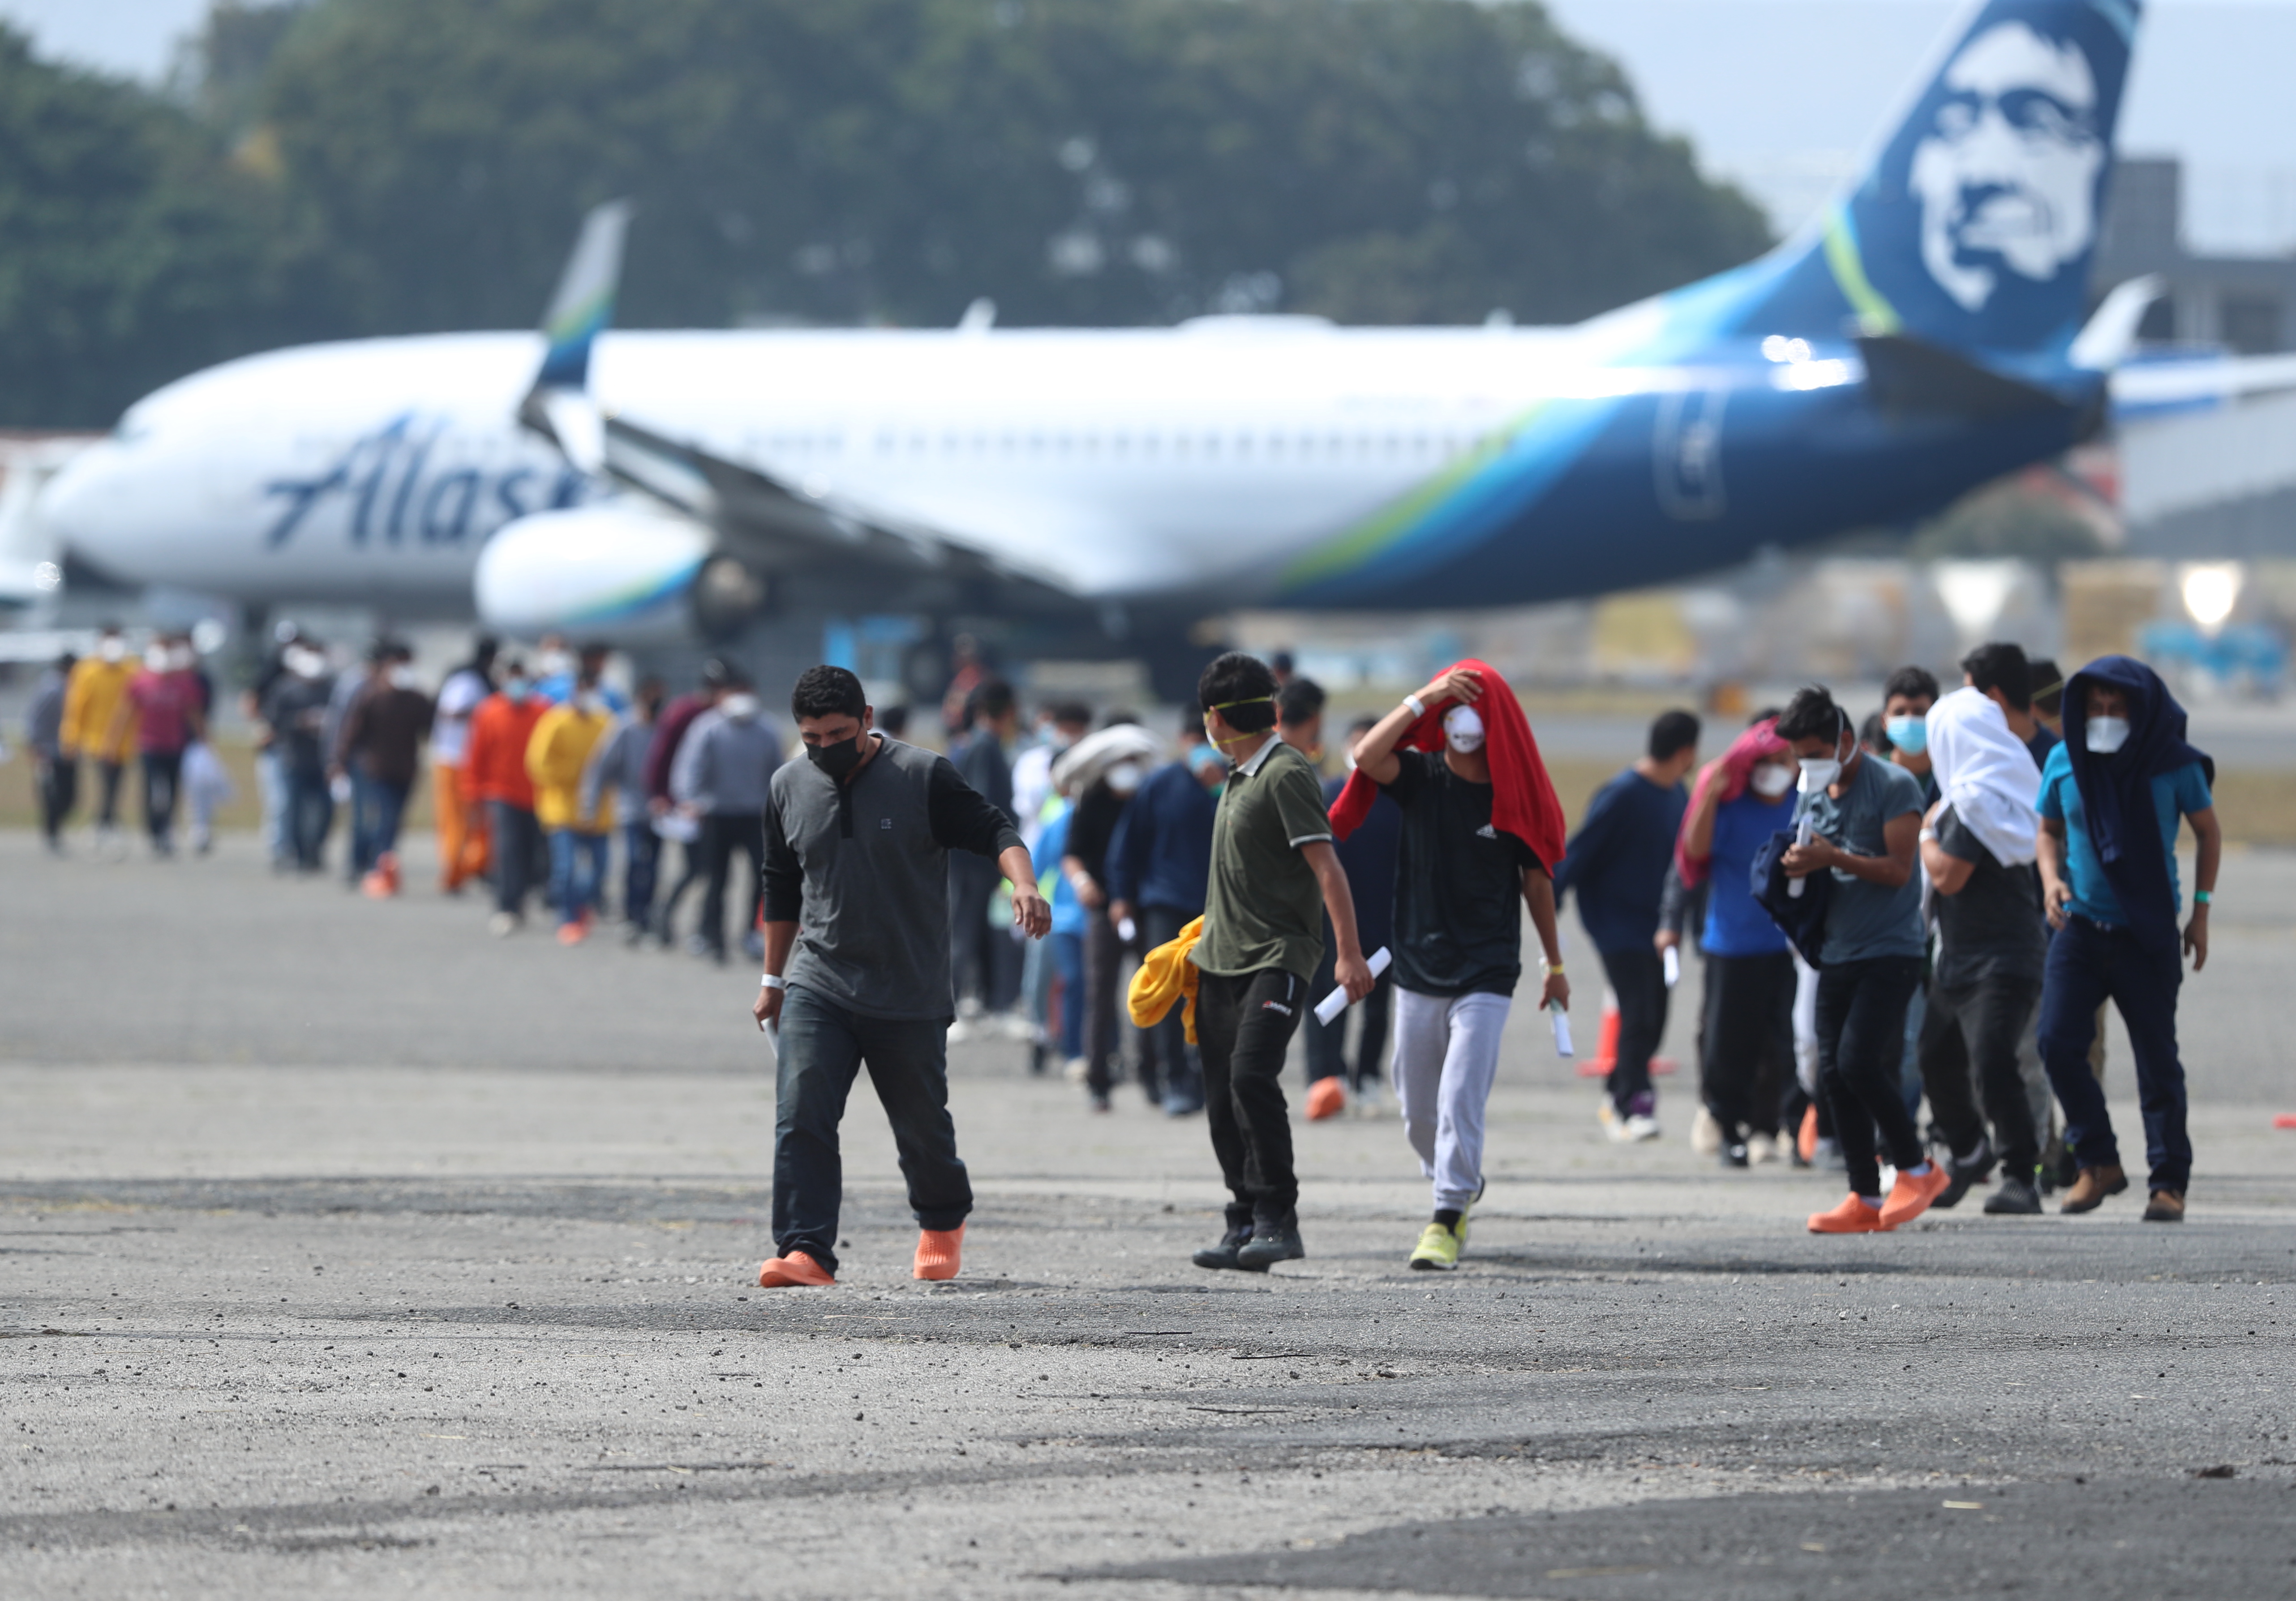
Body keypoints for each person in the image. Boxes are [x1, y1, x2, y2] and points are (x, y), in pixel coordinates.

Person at [752, 665, 1050, 1288]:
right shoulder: (787, 785)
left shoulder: (921, 775)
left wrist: (1023, 883)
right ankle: (805, 1248)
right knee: (801, 1112)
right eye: (812, 738)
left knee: (921, 1126)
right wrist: (773, 980)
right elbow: (780, 885)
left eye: (839, 734)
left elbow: (995, 829)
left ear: (867, 719)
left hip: (908, 988)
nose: (825, 748)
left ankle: (941, 1219)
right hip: (819, 978)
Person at [1343, 662, 1569, 1270]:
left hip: (1487, 968)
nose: (1466, 718)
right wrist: (1426, 695)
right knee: (1417, 1108)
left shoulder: (1513, 795)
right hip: (1419, 963)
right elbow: (1366, 755)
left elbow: (1537, 883)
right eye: (1456, 707)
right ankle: (1457, 1176)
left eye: (1476, 707)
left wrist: (1554, 963)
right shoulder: (1419, 776)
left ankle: (1446, 1213)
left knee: (1460, 1095)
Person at [1185, 652, 1373, 1272]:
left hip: (1278, 955)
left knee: (1250, 1076)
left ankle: (1277, 1218)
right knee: (1221, 1094)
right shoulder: (1237, 774)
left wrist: (1348, 953)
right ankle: (1242, 1218)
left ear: (1216, 717)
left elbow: (1327, 868)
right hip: (1219, 960)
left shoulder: (1285, 772)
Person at [2036, 657, 2219, 1223]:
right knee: (2056, 1042)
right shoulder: (2065, 759)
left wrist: (2201, 913)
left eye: (2118, 708)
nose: (2106, 716)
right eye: (2096, 706)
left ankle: (2168, 1183)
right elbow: (2047, 829)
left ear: (2140, 711)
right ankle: (2098, 1161)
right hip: (2080, 927)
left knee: (2157, 1062)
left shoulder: (2173, 763)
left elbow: (2208, 831)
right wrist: (2051, 878)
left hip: (2147, 931)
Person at [1776, 685, 1949, 1234]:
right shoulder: (1812, 791)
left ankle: (1918, 1168)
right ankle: (1864, 1196)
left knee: (1859, 1062)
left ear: (1845, 740)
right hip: (1836, 950)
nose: (1807, 764)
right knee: (1832, 1073)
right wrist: (1795, 867)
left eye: (1815, 752)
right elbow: (1814, 858)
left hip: (1891, 951)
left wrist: (1832, 856)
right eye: (1799, 755)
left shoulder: (1893, 786)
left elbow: (1899, 869)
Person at [1914, 687, 2048, 1216]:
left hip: (2004, 959)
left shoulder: (1976, 804)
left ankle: (2021, 1174)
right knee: (1935, 1057)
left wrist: (1926, 835)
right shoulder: (1980, 798)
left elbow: (1947, 876)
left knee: (1993, 1062)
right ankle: (1971, 1149)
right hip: (1960, 957)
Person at [1556, 709, 1700, 1142]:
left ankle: (1617, 1088)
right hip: (1616, 924)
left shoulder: (1677, 794)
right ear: (1686, 752)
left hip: (1660, 926)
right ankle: (1632, 1104)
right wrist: (1552, 895)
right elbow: (1581, 848)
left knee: (1655, 1016)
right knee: (1637, 1011)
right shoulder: (1622, 793)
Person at [1670, 714, 1799, 1167]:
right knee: (1728, 1043)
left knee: (1789, 1042)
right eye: (1766, 761)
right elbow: (1694, 850)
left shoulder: (1803, 804)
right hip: (1732, 944)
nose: (1775, 769)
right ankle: (1727, 1126)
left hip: (1789, 945)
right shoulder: (1731, 806)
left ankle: (1782, 1126)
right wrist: (1708, 792)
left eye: (1784, 760)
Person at [1107, 725, 1223, 1116]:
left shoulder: (1231, 784)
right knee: (1169, 990)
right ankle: (1173, 1077)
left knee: (1213, 995)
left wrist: (1218, 790)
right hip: (1165, 903)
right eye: (1195, 742)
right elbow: (1128, 844)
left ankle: (1206, 1077)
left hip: (1216, 906)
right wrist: (1122, 895)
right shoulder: (1159, 785)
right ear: (1183, 741)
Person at [1305, 719, 1399, 1117]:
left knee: (1377, 1005)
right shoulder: (1327, 795)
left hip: (1383, 916)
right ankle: (1327, 1077)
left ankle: (1368, 1078)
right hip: (1330, 920)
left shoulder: (1398, 802)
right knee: (1328, 998)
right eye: (1356, 743)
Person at [672, 674, 784, 963]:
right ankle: (712, 935)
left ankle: (751, 933)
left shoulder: (766, 729)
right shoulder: (708, 727)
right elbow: (690, 767)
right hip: (716, 814)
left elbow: (779, 772)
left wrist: (779, 807)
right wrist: (690, 800)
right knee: (717, 879)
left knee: (762, 876)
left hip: (754, 815)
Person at [1062, 749, 1145, 1110]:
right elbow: (1071, 853)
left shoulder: (1146, 799)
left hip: (1145, 907)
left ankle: (1153, 1071)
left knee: (1153, 989)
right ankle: (1098, 1076)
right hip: (1101, 909)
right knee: (1099, 994)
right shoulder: (1090, 803)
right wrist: (1083, 883)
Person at [644, 659, 734, 948]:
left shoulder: (724, 717)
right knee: (696, 867)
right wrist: (661, 794)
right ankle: (664, 915)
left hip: (715, 807)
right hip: (686, 805)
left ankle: (703, 928)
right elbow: (663, 755)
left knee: (713, 871)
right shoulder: (685, 712)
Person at [948, 679, 1023, 1027]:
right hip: (975, 860)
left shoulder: (973, 743)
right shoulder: (985, 746)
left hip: (971, 857)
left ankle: (981, 998)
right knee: (966, 929)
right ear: (1009, 711)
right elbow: (982, 803)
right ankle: (954, 1002)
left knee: (977, 929)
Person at [527, 665, 617, 945]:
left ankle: (582, 904)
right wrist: (577, 774)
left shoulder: (606, 722)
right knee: (565, 869)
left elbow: (615, 763)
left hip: (597, 810)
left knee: (600, 869)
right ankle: (567, 918)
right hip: (563, 809)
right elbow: (539, 764)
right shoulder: (555, 721)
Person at [335, 643, 434, 897]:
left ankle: (381, 864)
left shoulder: (416, 699)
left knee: (393, 821)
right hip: (376, 768)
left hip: (406, 769)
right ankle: (373, 866)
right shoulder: (373, 696)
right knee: (379, 819)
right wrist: (340, 761)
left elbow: (431, 726)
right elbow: (352, 731)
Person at [466, 657, 549, 935]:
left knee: (533, 854)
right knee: (507, 851)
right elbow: (477, 754)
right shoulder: (489, 712)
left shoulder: (543, 711)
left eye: (520, 675)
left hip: (537, 793)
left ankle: (523, 899)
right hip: (501, 793)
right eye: (511, 676)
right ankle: (506, 906)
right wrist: (473, 792)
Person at [581, 676, 665, 944]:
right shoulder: (625, 727)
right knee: (633, 860)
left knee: (653, 865)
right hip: (630, 807)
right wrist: (590, 803)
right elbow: (602, 767)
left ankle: (646, 913)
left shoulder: (665, 728)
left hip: (658, 811)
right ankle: (630, 914)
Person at [112, 634, 205, 858]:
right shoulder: (140, 680)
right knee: (153, 791)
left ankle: (167, 830)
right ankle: (153, 830)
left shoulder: (184, 683)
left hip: (175, 745)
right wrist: (115, 741)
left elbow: (194, 714)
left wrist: (204, 741)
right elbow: (126, 712)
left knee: (172, 791)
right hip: (149, 745)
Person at [61, 622, 138, 852]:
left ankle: (105, 823)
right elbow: (76, 707)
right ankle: (105, 824)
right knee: (107, 784)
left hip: (126, 742)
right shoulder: (87, 670)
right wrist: (70, 737)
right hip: (95, 741)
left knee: (115, 787)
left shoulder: (133, 669)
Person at [262, 640, 337, 873]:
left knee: (325, 810)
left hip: (324, 761)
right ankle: (299, 853)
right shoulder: (285, 688)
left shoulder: (333, 688)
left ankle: (316, 850)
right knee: (293, 809)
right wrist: (299, 722)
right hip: (294, 759)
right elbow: (274, 722)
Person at [431, 638, 499, 894]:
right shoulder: (467, 680)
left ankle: (476, 866)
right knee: (455, 819)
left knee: (478, 819)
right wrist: (483, 714)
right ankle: (454, 871)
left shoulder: (478, 679)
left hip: (469, 758)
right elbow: (452, 711)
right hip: (454, 758)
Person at [27, 651, 76, 854]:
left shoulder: (73, 686)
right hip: (49, 750)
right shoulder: (51, 687)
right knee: (51, 794)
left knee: (70, 796)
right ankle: (52, 832)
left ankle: (55, 828)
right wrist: (35, 745)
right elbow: (35, 718)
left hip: (68, 749)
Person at [1881, 666, 1941, 806]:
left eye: (1919, 712)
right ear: (1884, 721)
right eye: (1900, 713)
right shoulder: (1871, 777)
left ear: (1937, 718)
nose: (1909, 720)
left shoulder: (1952, 776)